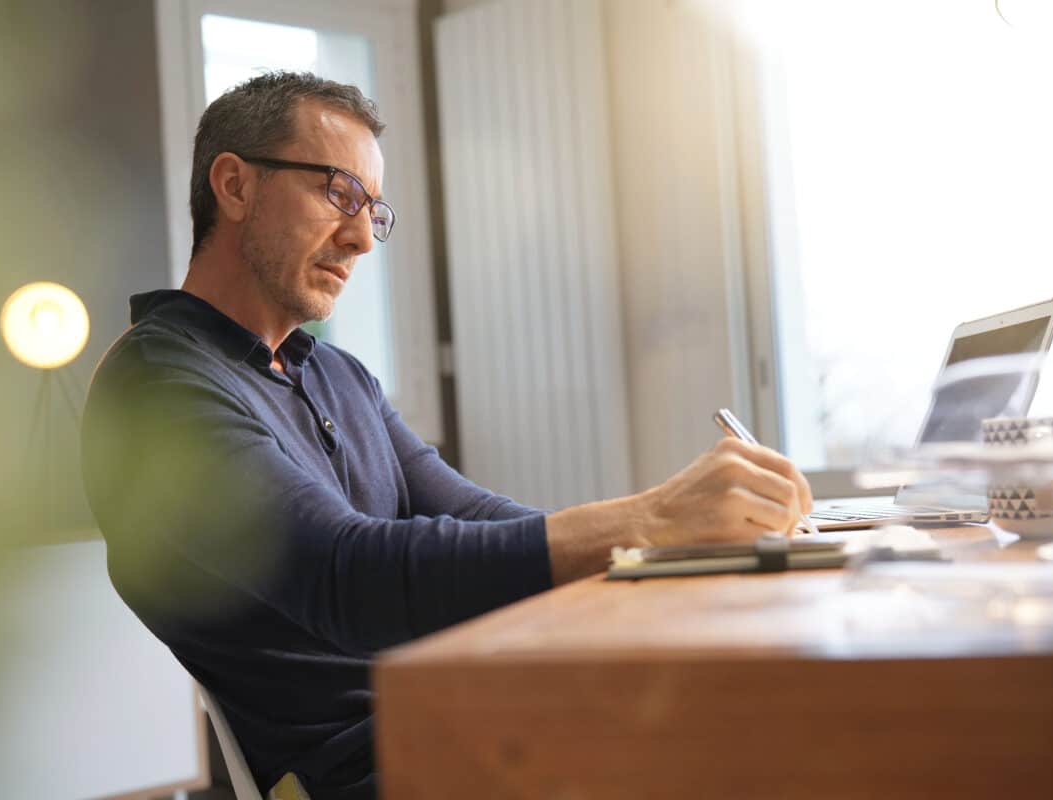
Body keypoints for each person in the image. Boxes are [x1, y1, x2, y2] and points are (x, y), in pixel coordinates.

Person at [80, 70, 813, 800]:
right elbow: (348, 577)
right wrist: (649, 521)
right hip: (387, 767)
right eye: (339, 192)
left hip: (467, 716)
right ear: (235, 186)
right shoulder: (159, 388)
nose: (363, 236)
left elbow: (475, 517)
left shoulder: (338, 375)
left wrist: (670, 547)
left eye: (373, 208)